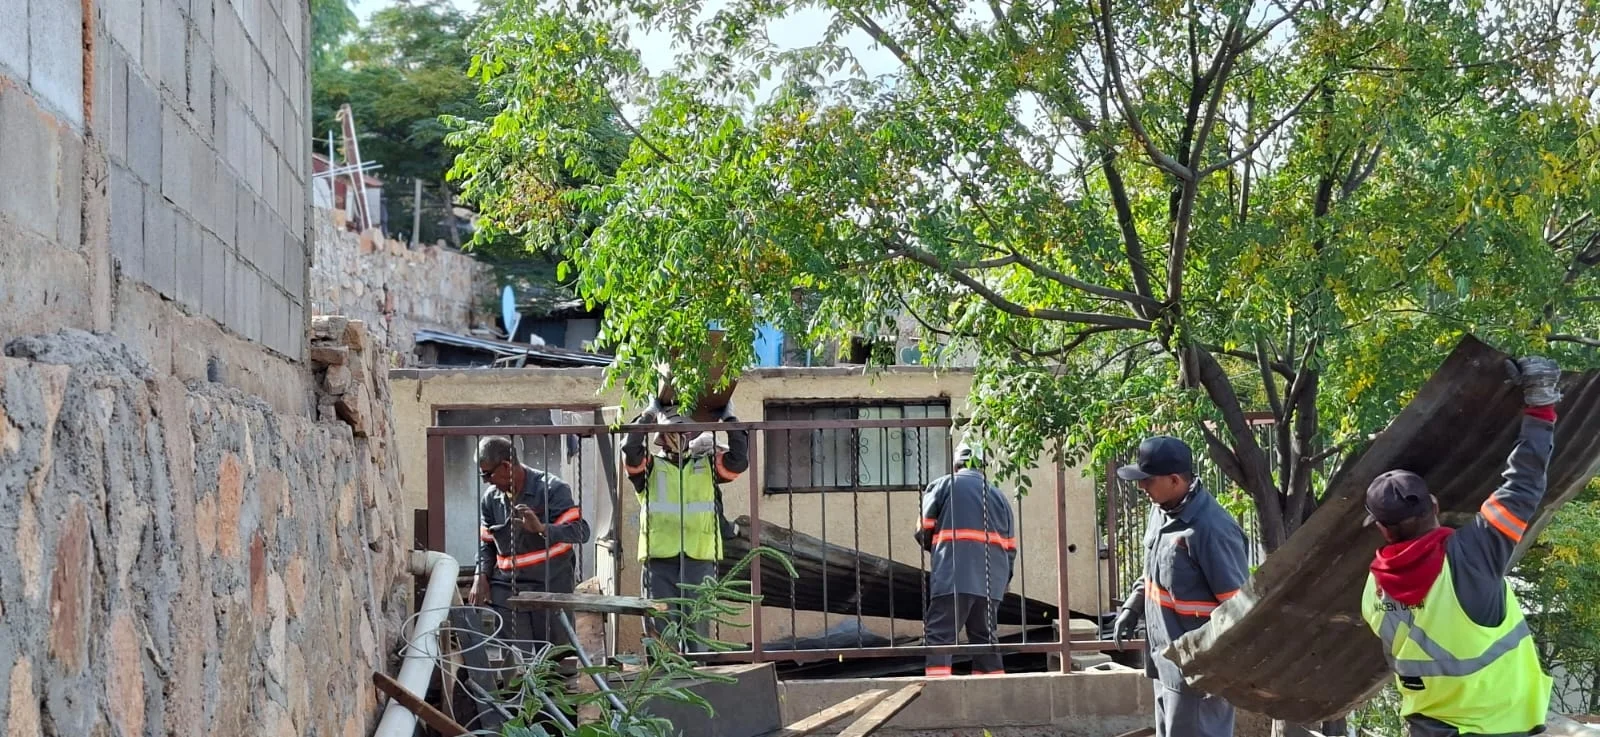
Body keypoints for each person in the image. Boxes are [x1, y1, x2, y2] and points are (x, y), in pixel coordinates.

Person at [1359, 356, 1561, 737]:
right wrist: (1540, 404)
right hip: (1500, 728)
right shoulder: (1471, 558)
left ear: (1382, 529)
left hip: (1428, 728)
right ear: (1434, 505)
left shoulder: (1373, 592)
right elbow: (1523, 485)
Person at [1112, 435, 1249, 737]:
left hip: (1198, 677)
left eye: (1148, 480)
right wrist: (1132, 608)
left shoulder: (1211, 529)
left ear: (1175, 480)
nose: (1141, 487)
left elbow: (1238, 611)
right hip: (1166, 664)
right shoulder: (1161, 511)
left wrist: (1214, 671)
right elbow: (1153, 572)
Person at [622, 398, 749, 652]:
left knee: (697, 631)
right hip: (659, 561)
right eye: (672, 433)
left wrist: (730, 419)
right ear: (661, 438)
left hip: (698, 559)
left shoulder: (707, 466)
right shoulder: (649, 469)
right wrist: (649, 414)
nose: (678, 437)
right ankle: (662, 686)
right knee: (660, 633)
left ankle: (697, 681)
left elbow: (739, 459)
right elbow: (630, 447)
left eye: (683, 433)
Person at [468, 436, 591, 654]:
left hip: (550, 588)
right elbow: (486, 544)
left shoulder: (552, 489)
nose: (485, 480)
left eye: (487, 474)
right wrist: (481, 575)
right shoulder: (490, 499)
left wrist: (542, 528)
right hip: (509, 591)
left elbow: (580, 531)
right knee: (516, 664)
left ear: (506, 466)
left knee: (556, 661)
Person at [915, 443, 1017, 677]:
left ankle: (940, 693)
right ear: (983, 466)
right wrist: (1004, 580)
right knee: (985, 639)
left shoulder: (943, 485)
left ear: (956, 464)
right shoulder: (998, 496)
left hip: (953, 575)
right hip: (992, 581)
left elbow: (923, 529)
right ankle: (992, 695)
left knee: (941, 636)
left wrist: (941, 550)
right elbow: (1010, 548)